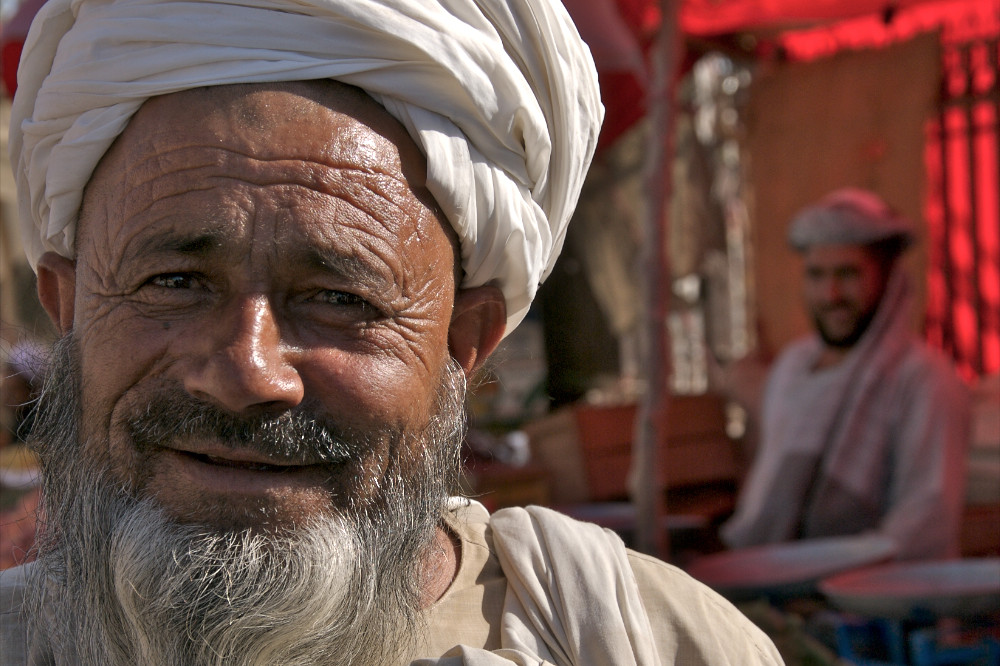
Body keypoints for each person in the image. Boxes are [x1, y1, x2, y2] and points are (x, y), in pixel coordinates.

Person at [0, 0, 783, 663]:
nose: (247, 371)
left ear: (468, 338)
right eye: (173, 283)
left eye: (339, 299)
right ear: (66, 306)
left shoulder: (652, 642)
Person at [720, 188, 970, 561]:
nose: (831, 293)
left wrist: (828, 569)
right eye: (817, 275)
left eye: (848, 274)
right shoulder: (792, 367)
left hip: (881, 600)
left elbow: (925, 523)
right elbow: (766, 498)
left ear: (887, 279)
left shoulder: (923, 379)